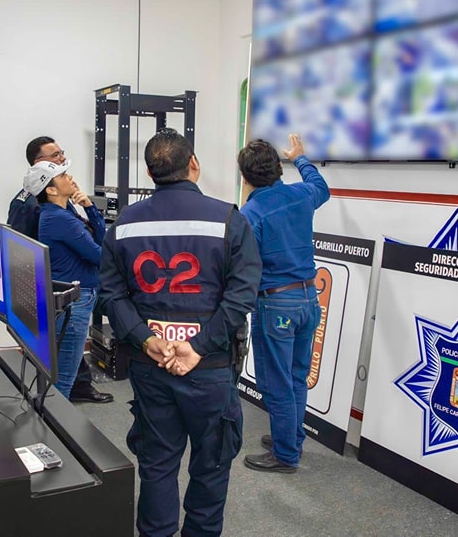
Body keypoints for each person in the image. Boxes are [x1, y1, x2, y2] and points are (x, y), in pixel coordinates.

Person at [98, 128, 261, 537]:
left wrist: (147, 339)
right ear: (193, 165)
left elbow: (111, 296)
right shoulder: (230, 220)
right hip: (210, 369)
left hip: (150, 366)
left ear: (150, 173)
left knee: (156, 464)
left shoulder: (122, 225)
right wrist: (198, 347)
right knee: (211, 465)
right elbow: (241, 297)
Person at [237, 134, 330, 474]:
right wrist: (300, 158)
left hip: (276, 304)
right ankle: (291, 438)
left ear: (245, 177)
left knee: (277, 383)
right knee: (296, 377)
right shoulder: (301, 194)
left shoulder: (250, 213)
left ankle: (286, 454)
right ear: (279, 167)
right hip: (309, 299)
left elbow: (245, 267)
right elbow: (321, 187)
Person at [8, 135, 114, 404]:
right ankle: (56, 420)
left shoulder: (63, 209)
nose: (63, 160)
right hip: (64, 292)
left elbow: (93, 241)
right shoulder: (39, 208)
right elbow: (21, 250)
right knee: (61, 375)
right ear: (38, 163)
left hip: (72, 289)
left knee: (63, 366)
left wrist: (89, 207)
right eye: (55, 157)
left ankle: (73, 394)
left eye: (61, 154)